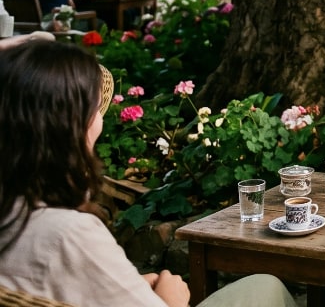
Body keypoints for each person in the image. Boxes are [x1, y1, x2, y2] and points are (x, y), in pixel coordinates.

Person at [0, 39, 297, 307]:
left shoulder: (13, 213)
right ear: (70, 127)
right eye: (93, 110)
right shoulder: (67, 233)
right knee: (267, 289)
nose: (100, 122)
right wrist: (170, 298)